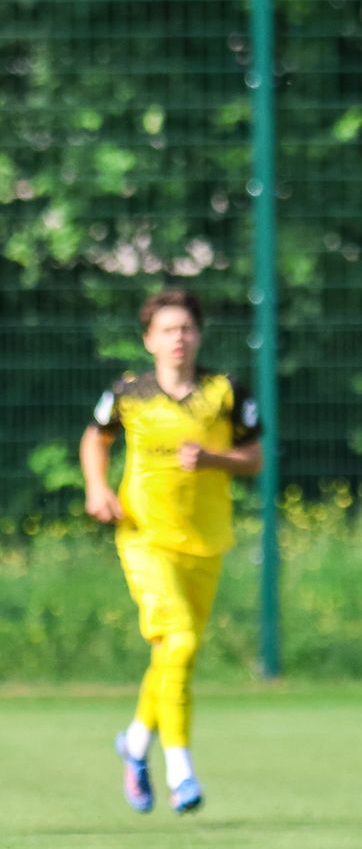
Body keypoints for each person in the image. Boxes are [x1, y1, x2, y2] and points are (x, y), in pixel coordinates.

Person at [84, 289, 262, 815]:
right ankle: (180, 767)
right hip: (144, 537)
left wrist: (213, 458)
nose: (177, 338)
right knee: (179, 639)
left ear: (199, 334)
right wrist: (98, 489)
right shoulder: (127, 393)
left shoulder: (225, 391)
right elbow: (96, 438)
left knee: (174, 653)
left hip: (205, 542)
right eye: (167, 329)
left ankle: (134, 744)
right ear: (148, 339)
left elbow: (253, 458)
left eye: (185, 327)